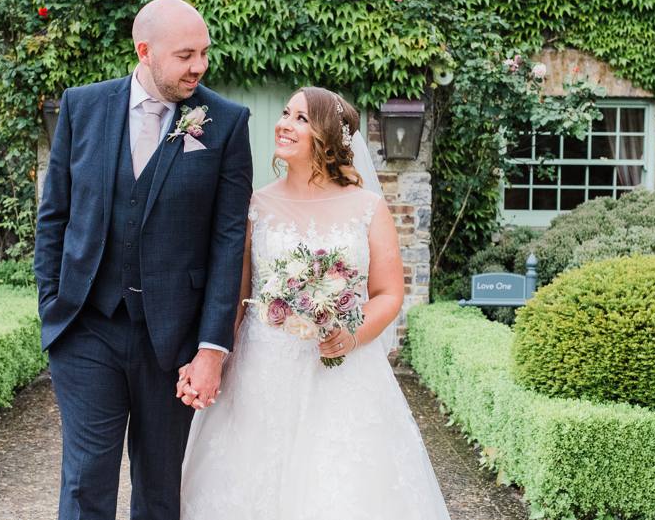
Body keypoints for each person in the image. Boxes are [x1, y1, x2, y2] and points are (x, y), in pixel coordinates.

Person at [178, 86, 451, 520]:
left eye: (301, 118)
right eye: (286, 113)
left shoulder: (367, 207)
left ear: (328, 136)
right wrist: (209, 358)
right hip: (260, 371)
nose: (285, 123)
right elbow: (237, 297)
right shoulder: (256, 206)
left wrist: (352, 335)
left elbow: (388, 294)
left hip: (341, 371)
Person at [34, 0, 253, 520]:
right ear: (144, 50)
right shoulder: (83, 107)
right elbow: (54, 216)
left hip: (173, 340)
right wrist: (52, 305)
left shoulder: (224, 122)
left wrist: (211, 348)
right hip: (87, 327)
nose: (198, 66)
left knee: (159, 489)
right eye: (185, 55)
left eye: (203, 53)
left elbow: (229, 244)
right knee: (86, 480)